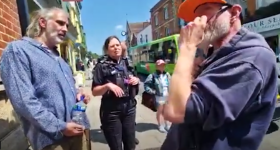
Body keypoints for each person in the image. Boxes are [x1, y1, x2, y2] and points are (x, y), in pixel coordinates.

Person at [162, 0, 277, 150]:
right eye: (195, 17)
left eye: (205, 11)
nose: (198, 22)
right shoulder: (214, 56)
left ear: (234, 14)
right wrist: (191, 73)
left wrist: (187, 47)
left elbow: (178, 110)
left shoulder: (251, 57)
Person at [0, 8, 91, 150]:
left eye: (66, 25)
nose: (65, 29)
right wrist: (60, 127)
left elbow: (64, 90)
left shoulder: (59, 59)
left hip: (79, 130)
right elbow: (24, 101)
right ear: (42, 22)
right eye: (60, 23)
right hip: (53, 140)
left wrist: (78, 94)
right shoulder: (18, 50)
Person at [92, 36, 140, 150]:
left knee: (130, 145)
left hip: (129, 108)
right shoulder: (101, 66)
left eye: (117, 45)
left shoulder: (127, 63)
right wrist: (108, 86)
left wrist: (136, 80)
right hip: (111, 112)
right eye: (112, 46)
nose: (116, 48)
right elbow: (94, 91)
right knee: (116, 147)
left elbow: (134, 77)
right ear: (107, 49)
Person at [144, 59, 171, 132]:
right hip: (159, 97)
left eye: (163, 65)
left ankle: (167, 125)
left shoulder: (167, 74)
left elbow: (170, 84)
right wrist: (153, 92)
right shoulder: (152, 75)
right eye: (160, 65)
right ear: (157, 66)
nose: (162, 67)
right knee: (160, 112)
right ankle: (160, 125)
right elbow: (146, 85)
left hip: (167, 96)